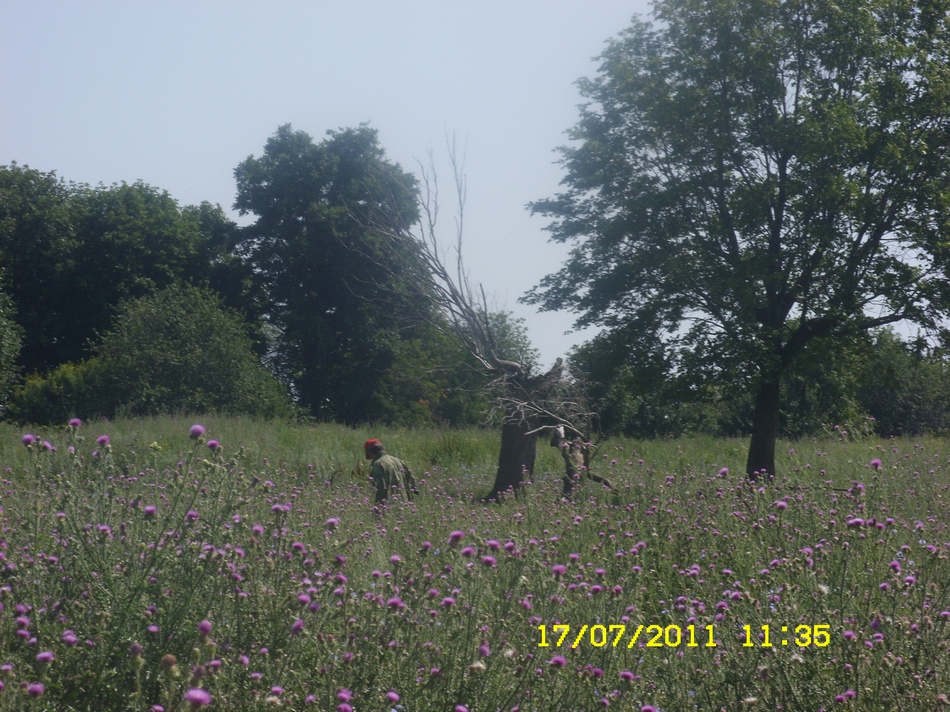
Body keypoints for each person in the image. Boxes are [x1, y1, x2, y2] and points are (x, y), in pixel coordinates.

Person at [364, 438, 415, 503]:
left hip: (389, 505)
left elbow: (380, 487)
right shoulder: (398, 461)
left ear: (369, 452)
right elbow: (411, 481)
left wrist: (377, 505)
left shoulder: (378, 464)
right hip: (404, 503)